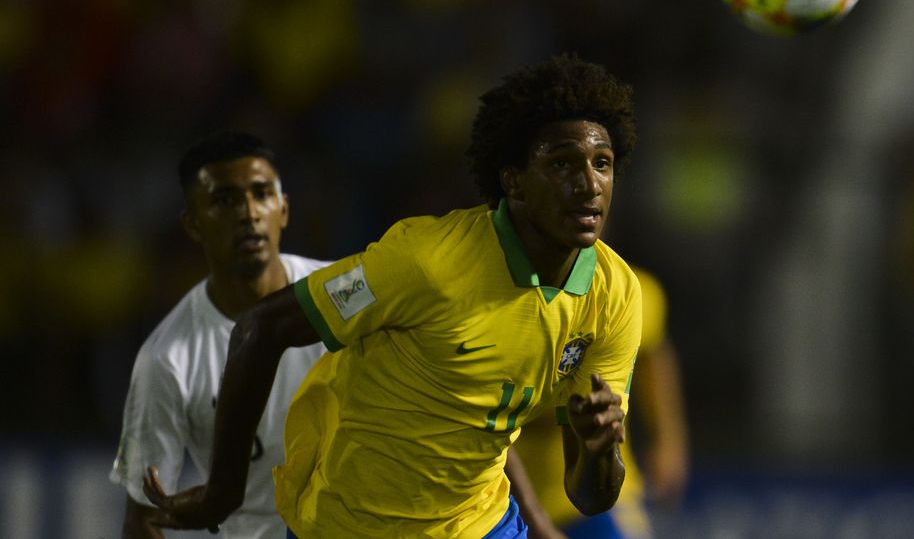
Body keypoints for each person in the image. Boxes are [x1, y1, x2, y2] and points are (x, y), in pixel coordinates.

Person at [142, 53, 644, 538]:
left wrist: (602, 453)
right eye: (561, 164)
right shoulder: (424, 262)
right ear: (513, 181)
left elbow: (588, 496)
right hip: (348, 524)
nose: (588, 184)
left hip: (479, 526)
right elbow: (261, 327)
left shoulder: (614, 296)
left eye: (602, 163)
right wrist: (223, 490)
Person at [110, 131, 331, 539]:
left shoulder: (340, 294)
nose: (249, 213)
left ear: (283, 209)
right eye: (225, 200)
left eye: (262, 194)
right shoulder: (167, 359)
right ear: (192, 224)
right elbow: (143, 521)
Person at [514, 265, 690, 538]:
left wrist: (668, 439)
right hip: (502, 495)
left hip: (600, 495)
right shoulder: (497, 299)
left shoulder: (625, 290)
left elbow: (652, 353)